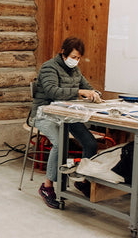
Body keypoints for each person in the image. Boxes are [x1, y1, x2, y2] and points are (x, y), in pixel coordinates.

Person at [31, 36, 100, 209]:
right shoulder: (49, 67)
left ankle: (81, 179)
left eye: (78, 58)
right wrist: (80, 92)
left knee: (90, 143)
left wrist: (94, 94)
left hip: (66, 115)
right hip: (44, 114)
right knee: (60, 144)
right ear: (63, 53)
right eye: (74, 57)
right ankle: (47, 187)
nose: (76, 61)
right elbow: (53, 91)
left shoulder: (75, 70)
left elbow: (87, 88)